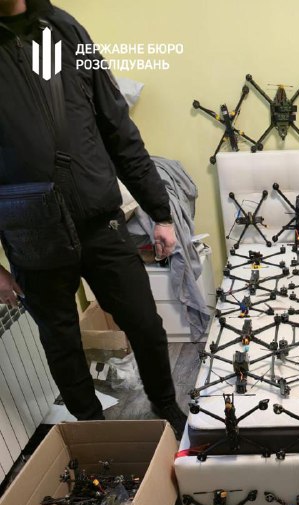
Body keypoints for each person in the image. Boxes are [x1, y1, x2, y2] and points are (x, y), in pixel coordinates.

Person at [0, 0, 188, 437]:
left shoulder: (63, 31)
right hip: (31, 235)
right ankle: (93, 432)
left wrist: (160, 212)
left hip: (100, 223)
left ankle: (165, 405)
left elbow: (115, 125)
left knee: (145, 323)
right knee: (61, 342)